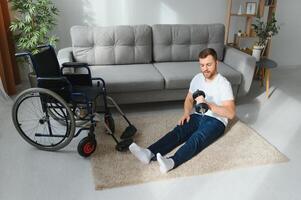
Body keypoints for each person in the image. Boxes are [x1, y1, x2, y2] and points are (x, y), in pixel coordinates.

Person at [129, 48, 236, 173]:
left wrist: (209, 105)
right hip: (198, 115)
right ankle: (148, 153)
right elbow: (189, 100)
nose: (205, 69)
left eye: (209, 64)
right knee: (178, 131)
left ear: (216, 63)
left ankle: (172, 162)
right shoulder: (197, 78)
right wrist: (186, 113)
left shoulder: (223, 84)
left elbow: (231, 113)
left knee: (197, 138)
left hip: (216, 120)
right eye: (202, 65)